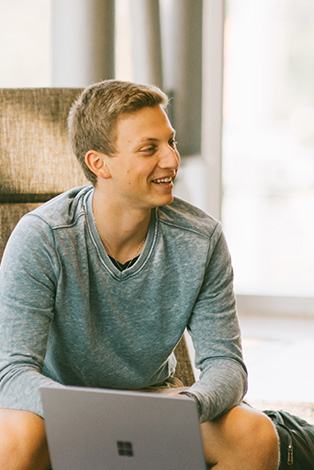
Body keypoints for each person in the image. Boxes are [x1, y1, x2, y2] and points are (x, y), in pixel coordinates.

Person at [0, 79, 279, 470]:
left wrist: (188, 406)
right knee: (14, 437)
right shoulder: (42, 237)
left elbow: (226, 364)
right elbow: (11, 372)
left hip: (156, 402)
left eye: (171, 142)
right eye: (150, 149)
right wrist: (95, 413)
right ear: (99, 163)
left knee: (254, 434)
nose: (171, 160)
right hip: (60, 407)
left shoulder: (202, 239)